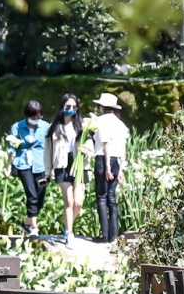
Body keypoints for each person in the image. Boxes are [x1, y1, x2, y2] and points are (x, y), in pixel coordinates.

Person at [5, 101, 50, 236]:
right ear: (27, 115)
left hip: (40, 164)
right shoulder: (17, 127)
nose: (36, 120)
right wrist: (8, 167)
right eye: (33, 117)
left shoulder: (46, 126)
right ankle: (34, 228)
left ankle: (26, 223)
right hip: (23, 164)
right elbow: (11, 148)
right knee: (32, 196)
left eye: (39, 117)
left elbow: (49, 147)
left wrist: (51, 167)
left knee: (40, 199)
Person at [45, 93, 85, 241]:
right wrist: (48, 172)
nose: (71, 109)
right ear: (62, 107)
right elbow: (48, 151)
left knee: (78, 202)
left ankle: (68, 225)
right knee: (69, 200)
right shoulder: (54, 127)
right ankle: (69, 232)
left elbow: (90, 145)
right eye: (68, 106)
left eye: (74, 107)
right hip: (62, 164)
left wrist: (87, 150)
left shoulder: (82, 126)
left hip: (79, 164)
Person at [91, 92, 129, 243]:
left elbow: (105, 144)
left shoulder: (101, 121)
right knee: (112, 197)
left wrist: (106, 166)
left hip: (103, 159)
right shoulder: (120, 124)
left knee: (101, 197)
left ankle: (104, 235)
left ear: (102, 107)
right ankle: (113, 235)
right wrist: (120, 169)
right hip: (117, 161)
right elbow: (123, 148)